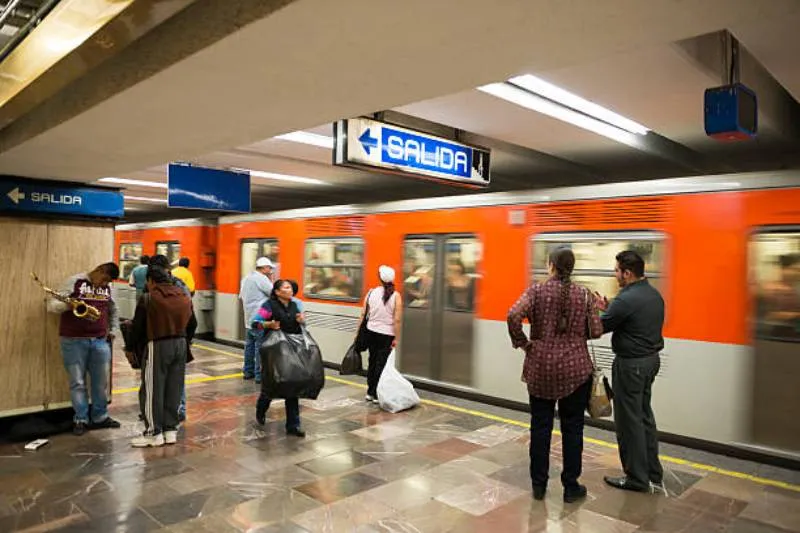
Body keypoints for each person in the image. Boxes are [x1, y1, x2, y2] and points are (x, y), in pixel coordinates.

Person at [507, 248, 603, 502]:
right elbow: (595, 331)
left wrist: (524, 343)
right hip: (576, 371)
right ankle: (571, 486)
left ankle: (539, 486)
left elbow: (513, 314)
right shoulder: (584, 295)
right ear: (572, 268)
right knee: (573, 430)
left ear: (550, 266)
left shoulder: (536, 291)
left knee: (540, 427)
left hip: (541, 369)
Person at [595, 250, 665, 493]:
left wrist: (593, 313)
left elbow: (599, 327)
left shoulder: (627, 299)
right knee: (644, 416)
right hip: (650, 362)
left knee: (628, 422)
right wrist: (609, 307)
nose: (615, 275)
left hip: (631, 366)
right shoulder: (653, 294)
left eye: (617, 271)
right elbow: (629, 317)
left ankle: (636, 478)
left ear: (627, 273)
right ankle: (653, 472)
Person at [48, 263, 122, 436]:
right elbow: (51, 306)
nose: (105, 284)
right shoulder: (74, 282)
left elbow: (114, 309)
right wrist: (69, 305)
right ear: (99, 270)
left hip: (100, 341)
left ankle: (100, 417)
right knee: (78, 382)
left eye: (108, 282)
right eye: (104, 279)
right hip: (73, 341)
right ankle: (81, 419)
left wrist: (113, 331)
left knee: (101, 383)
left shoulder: (107, 287)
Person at [126, 265, 194, 447]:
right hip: (181, 343)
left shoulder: (149, 298)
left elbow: (137, 327)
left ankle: (153, 433)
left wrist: (130, 348)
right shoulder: (183, 296)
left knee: (152, 389)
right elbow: (192, 323)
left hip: (158, 344)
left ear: (150, 281)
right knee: (174, 387)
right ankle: (170, 430)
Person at [251, 279, 306, 437]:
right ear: (277, 292)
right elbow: (255, 323)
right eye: (286, 287)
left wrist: (302, 321)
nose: (290, 290)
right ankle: (261, 409)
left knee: (292, 386)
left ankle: (293, 425)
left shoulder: (295, 305)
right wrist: (269, 325)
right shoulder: (269, 306)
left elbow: (300, 326)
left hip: (292, 350)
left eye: (290, 287)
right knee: (271, 385)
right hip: (273, 351)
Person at [148, 254, 194, 422]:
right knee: (176, 377)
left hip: (159, 339)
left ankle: (157, 412)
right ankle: (177, 409)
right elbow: (191, 315)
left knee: (156, 378)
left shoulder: (154, 288)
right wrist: (186, 338)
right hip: (180, 338)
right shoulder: (181, 286)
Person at [359, 265, 402, 403]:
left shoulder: (371, 293)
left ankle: (369, 392)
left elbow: (363, 314)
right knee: (381, 364)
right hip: (387, 335)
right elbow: (397, 319)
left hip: (371, 331)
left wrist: (357, 333)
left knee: (372, 361)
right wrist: (396, 337)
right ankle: (377, 394)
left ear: (380, 278)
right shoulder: (396, 296)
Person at [239, 257, 275, 382]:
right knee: (260, 347)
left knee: (249, 346)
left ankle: (248, 372)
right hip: (260, 318)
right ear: (264, 268)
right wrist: (271, 279)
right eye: (269, 268)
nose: (270, 270)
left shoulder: (246, 278)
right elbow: (273, 293)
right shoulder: (262, 278)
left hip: (248, 319)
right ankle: (259, 376)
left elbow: (241, 296)